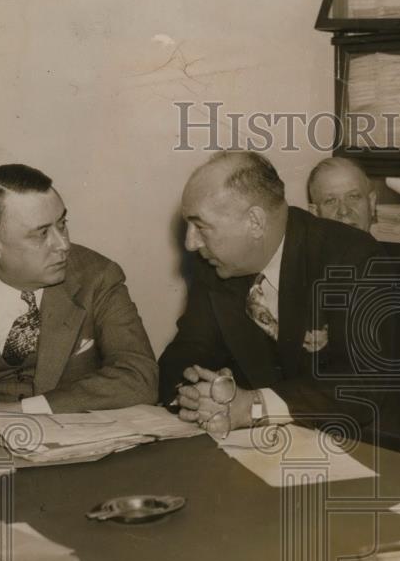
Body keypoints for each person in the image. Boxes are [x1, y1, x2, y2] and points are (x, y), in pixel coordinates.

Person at [0, 164, 158, 439]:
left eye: (62, 224)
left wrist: (21, 410)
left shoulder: (98, 277)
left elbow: (140, 377)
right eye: (42, 233)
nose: (63, 245)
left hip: (71, 449)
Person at [160, 151, 386, 438]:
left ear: (255, 222)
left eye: (201, 226)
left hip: (363, 449)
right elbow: (183, 353)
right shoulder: (216, 266)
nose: (190, 243)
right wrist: (194, 392)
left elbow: (362, 383)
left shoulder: (353, 256)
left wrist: (252, 406)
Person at [307, 156, 400, 261]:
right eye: (331, 201)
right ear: (315, 214)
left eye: (353, 196)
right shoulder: (301, 271)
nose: (344, 210)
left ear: (371, 203)